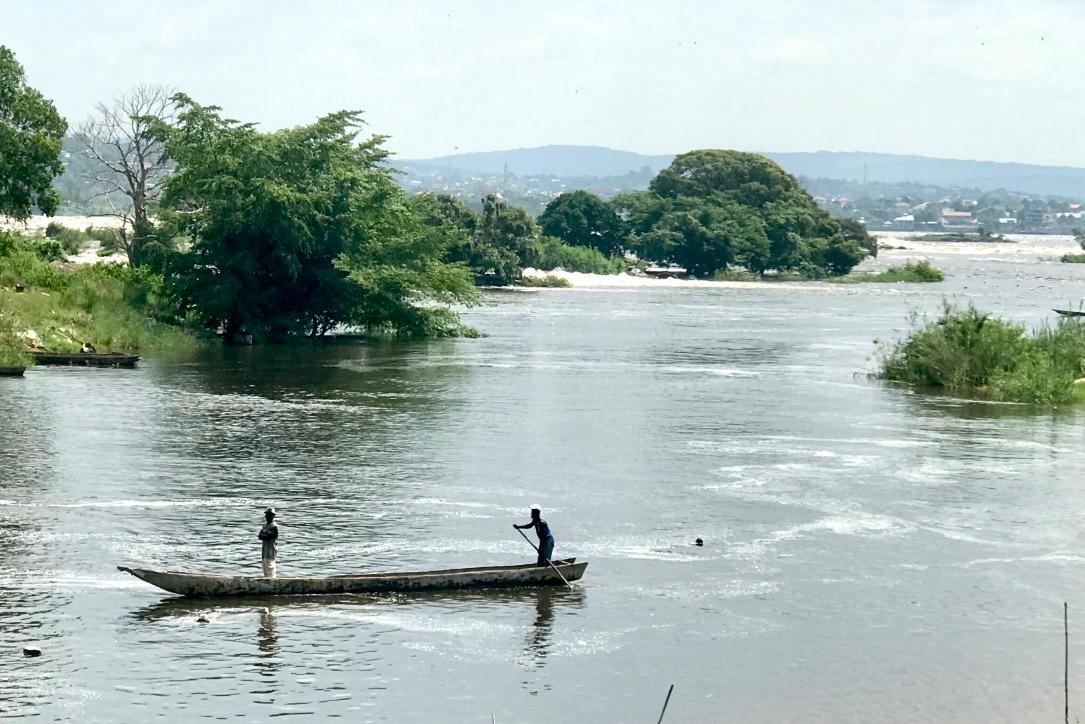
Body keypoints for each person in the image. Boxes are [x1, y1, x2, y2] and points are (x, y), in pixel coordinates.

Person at [257, 507, 279, 578]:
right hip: (264, 552)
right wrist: (265, 535)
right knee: (265, 569)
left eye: (269, 515)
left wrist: (265, 535)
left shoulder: (274, 527)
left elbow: (268, 537)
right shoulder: (264, 526)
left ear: (273, 516)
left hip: (270, 552)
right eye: (266, 515)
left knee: (270, 569)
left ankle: (273, 583)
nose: (267, 517)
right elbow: (260, 536)